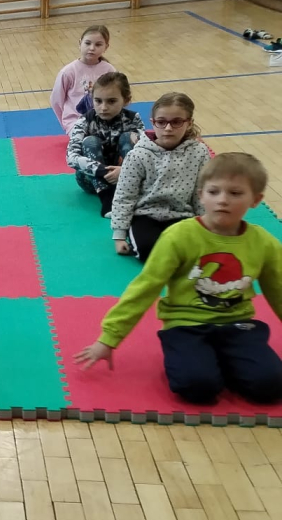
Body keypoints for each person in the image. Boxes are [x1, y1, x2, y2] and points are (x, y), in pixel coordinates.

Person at [75, 152, 282, 405]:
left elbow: (278, 290)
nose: (222, 200)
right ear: (201, 195)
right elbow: (145, 287)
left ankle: (227, 361)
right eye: (214, 192)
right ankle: (203, 360)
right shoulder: (178, 237)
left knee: (270, 384)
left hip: (238, 325)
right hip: (186, 326)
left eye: (235, 193)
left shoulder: (263, 243)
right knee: (198, 386)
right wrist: (109, 338)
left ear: (256, 200)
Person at [110, 92, 210, 261]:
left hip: (182, 215)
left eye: (176, 122)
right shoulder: (138, 155)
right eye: (161, 122)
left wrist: (207, 227)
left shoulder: (199, 152)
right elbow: (125, 196)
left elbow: (201, 194)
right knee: (147, 249)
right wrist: (119, 235)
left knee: (195, 250)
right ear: (153, 123)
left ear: (189, 123)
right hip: (145, 215)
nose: (168, 128)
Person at [65, 73, 146, 217]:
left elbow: (146, 153)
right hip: (91, 180)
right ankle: (107, 199)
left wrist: (124, 170)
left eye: (111, 101)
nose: (103, 107)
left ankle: (129, 194)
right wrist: (101, 170)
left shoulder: (133, 119)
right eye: (98, 101)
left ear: (126, 100)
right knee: (90, 141)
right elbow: (71, 157)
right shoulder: (85, 120)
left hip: (125, 177)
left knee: (129, 137)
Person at [50, 24, 116, 134]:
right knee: (89, 141)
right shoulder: (68, 72)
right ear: (80, 43)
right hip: (76, 122)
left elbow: (117, 98)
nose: (92, 48)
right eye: (87, 43)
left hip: (104, 120)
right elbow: (56, 100)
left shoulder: (109, 70)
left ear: (106, 47)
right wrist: (66, 123)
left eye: (98, 44)